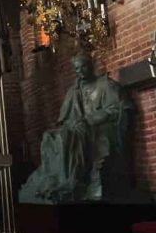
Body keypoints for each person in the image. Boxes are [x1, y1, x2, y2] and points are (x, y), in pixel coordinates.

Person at [19, 52, 137, 204]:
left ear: (90, 66)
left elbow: (121, 108)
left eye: (83, 67)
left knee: (72, 138)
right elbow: (65, 119)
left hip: (99, 128)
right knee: (52, 136)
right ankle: (57, 179)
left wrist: (91, 119)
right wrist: (73, 123)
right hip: (78, 128)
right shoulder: (73, 91)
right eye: (77, 69)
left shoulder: (106, 85)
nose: (80, 71)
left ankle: (73, 181)